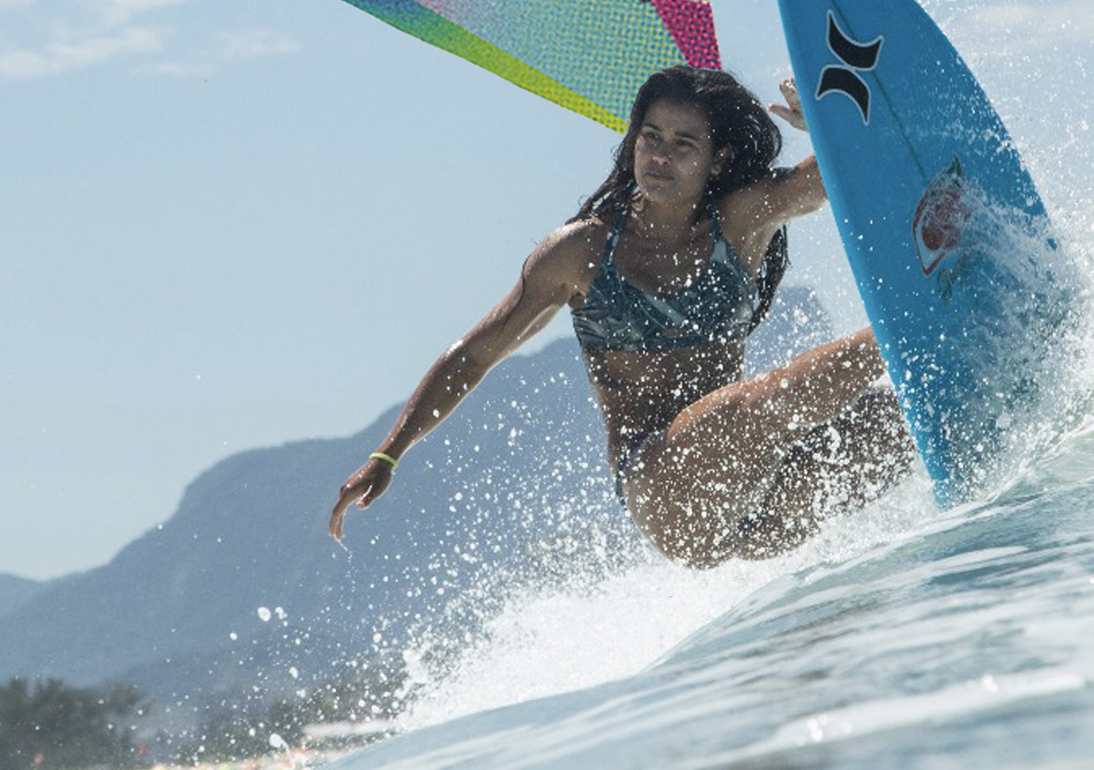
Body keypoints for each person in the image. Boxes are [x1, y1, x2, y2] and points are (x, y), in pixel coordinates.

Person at [328, 66, 916, 567]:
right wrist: (389, 452)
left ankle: (976, 386)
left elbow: (834, 181)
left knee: (900, 420)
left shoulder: (739, 222)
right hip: (670, 495)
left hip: (766, 491)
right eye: (650, 137)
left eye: (684, 144)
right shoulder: (579, 254)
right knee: (751, 406)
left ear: (718, 161)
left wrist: (824, 128)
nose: (659, 155)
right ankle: (913, 325)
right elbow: (476, 352)